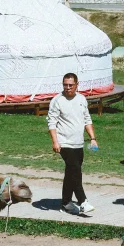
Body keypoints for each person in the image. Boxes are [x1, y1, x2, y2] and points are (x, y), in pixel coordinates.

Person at [47, 72, 98, 215]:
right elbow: (51, 122)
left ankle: (66, 202)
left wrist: (92, 137)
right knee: (75, 171)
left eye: (71, 85)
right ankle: (83, 202)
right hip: (64, 143)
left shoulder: (82, 99)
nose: (68, 88)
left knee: (71, 172)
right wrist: (55, 141)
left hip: (78, 143)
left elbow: (87, 119)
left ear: (77, 85)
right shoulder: (57, 100)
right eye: (65, 85)